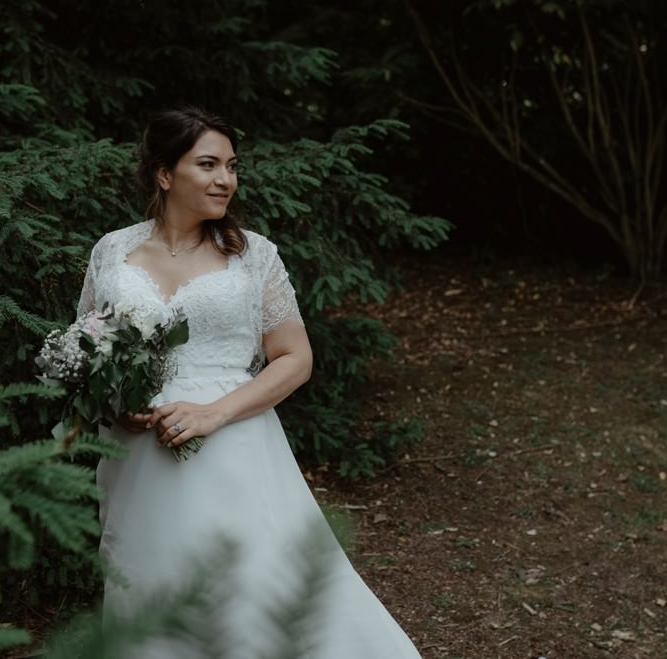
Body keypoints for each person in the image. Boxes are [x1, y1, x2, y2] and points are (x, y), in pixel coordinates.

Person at [76, 106, 421, 658]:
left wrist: (214, 413)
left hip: (232, 441)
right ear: (165, 174)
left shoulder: (254, 255)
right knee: (149, 581)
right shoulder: (112, 251)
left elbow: (294, 357)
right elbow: (89, 347)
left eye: (232, 166)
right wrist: (116, 405)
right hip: (138, 451)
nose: (225, 180)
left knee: (249, 587)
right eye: (208, 164)